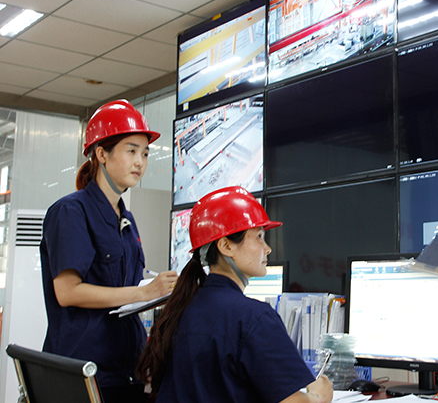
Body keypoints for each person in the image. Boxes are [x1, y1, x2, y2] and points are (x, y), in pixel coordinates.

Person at [136, 186, 333, 403]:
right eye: (259, 237)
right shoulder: (254, 318)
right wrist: (317, 396)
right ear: (226, 246)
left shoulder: (181, 309)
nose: (267, 248)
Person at [40, 100, 178, 403]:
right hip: (83, 373)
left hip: (126, 371)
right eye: (131, 151)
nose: (140, 162)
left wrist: (161, 292)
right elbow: (68, 292)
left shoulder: (126, 220)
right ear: (102, 154)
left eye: (145, 153)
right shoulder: (70, 212)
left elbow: (124, 290)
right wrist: (143, 293)